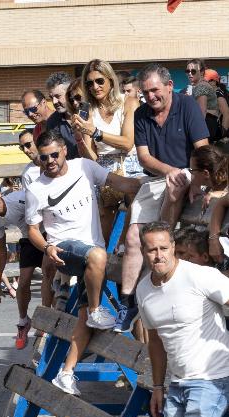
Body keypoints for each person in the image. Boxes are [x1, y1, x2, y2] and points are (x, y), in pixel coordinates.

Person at [24, 130, 141, 395]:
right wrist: (47, 246)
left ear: (64, 150)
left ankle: (66, 373)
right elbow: (32, 229)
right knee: (98, 257)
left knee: (84, 318)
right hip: (64, 249)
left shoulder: (84, 167)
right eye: (44, 158)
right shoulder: (35, 189)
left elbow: (118, 183)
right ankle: (98, 309)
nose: (50, 161)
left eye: (54, 154)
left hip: (91, 255)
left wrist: (150, 185)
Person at [136, 222, 229, 417]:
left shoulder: (200, 276)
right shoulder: (144, 289)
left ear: (173, 247)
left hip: (212, 378)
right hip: (177, 383)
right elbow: (155, 341)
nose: (158, 255)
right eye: (151, 249)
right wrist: (157, 386)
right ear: (142, 251)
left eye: (164, 248)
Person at [114, 63, 210, 333]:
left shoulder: (188, 105)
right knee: (133, 237)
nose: (150, 96)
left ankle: (163, 240)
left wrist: (197, 179)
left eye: (155, 90)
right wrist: (170, 171)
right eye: (145, 92)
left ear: (169, 86)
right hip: (155, 177)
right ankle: (127, 301)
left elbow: (203, 148)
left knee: (175, 186)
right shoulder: (142, 113)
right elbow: (144, 156)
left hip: (187, 172)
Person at [73, 59, 141, 239]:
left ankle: (124, 247)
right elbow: (91, 157)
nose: (95, 87)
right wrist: (79, 138)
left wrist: (95, 132)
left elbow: (127, 143)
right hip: (103, 167)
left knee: (136, 210)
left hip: (130, 163)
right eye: (89, 83)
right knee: (103, 225)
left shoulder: (129, 102)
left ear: (111, 80)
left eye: (99, 81)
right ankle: (104, 258)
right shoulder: (86, 110)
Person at [0, 181, 44, 349]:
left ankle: (47, 322)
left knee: (49, 278)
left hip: (49, 234)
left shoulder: (20, 198)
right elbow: (0, 251)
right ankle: (23, 322)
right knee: (23, 282)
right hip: (29, 239)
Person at [44, 72, 79, 160]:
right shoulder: (52, 122)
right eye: (51, 98)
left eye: (58, 96)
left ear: (70, 93)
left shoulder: (88, 113)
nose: (54, 102)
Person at [186, 59, 221, 142]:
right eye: (187, 71)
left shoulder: (201, 86)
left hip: (205, 126)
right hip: (208, 126)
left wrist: (194, 131)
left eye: (193, 71)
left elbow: (201, 113)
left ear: (201, 72)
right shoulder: (201, 85)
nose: (190, 74)